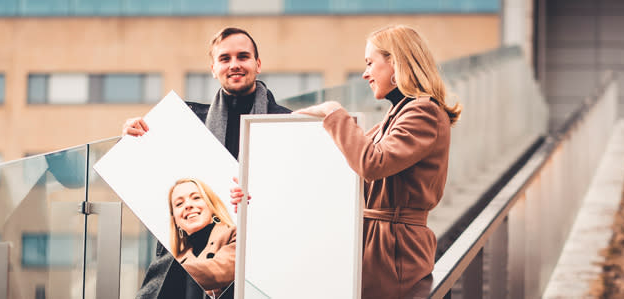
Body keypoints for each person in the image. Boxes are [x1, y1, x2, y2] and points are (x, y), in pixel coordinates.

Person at [233, 25, 461, 298]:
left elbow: (372, 163)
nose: (365, 74)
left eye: (370, 63)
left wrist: (333, 111)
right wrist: (258, 186)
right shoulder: (395, 117)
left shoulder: (423, 112)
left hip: (393, 251)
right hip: (379, 246)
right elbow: (344, 172)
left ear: (396, 62)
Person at [123, 27, 291, 159]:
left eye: (243, 57)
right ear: (213, 69)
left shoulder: (288, 122)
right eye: (225, 59)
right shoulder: (188, 121)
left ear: (258, 65)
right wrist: (129, 139)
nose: (234, 65)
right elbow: (141, 167)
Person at [138, 178, 236, 299]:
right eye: (179, 204)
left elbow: (222, 269)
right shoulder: (172, 259)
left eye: (196, 198)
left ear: (211, 205)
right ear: (175, 221)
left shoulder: (235, 235)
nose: (188, 205)